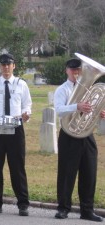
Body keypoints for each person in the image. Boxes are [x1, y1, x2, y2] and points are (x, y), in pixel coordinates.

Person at [0, 53, 32, 216]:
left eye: (9, 64)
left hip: (15, 129)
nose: (6, 67)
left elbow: (27, 104)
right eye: (3, 65)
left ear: (14, 66)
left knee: (17, 168)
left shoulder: (21, 84)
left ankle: (23, 204)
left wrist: (26, 114)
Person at [54, 58, 105, 222]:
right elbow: (59, 111)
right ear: (66, 70)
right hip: (68, 135)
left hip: (86, 134)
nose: (75, 72)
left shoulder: (90, 88)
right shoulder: (62, 90)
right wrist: (77, 106)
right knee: (67, 174)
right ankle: (63, 208)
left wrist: (100, 114)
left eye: (78, 70)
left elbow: (92, 112)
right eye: (72, 69)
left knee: (89, 173)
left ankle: (87, 210)